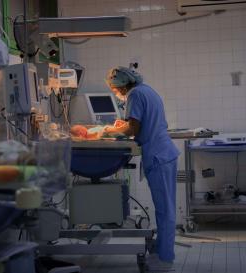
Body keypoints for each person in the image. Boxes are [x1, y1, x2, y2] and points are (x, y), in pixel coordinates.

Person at [104, 66, 180, 271]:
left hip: (158, 156)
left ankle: (165, 260)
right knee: (166, 209)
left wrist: (110, 131)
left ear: (120, 85)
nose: (116, 93)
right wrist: (123, 126)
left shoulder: (134, 95)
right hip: (164, 153)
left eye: (114, 89)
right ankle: (163, 253)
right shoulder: (146, 89)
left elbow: (133, 129)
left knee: (165, 211)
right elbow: (139, 123)